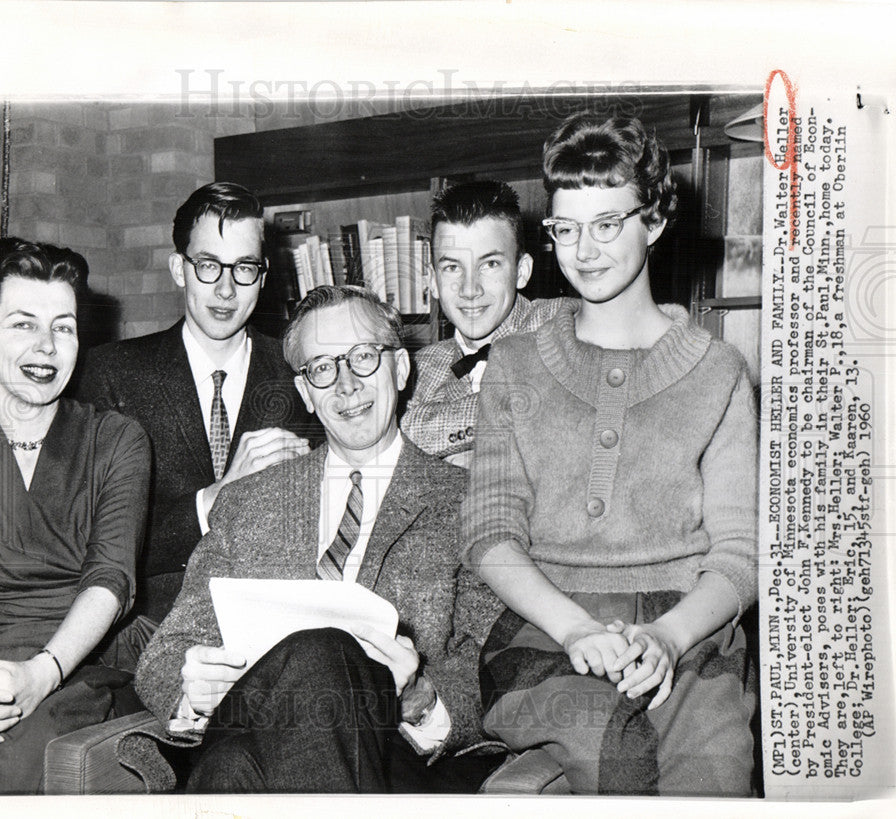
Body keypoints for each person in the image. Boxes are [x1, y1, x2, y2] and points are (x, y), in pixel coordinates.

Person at [462, 114, 758, 796]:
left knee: (711, 773)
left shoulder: (718, 373)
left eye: (606, 223)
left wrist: (666, 638)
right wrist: (576, 629)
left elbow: (739, 555)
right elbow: (488, 530)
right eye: (565, 228)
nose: (583, 250)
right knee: (611, 743)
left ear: (652, 221)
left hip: (689, 635)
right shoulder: (513, 365)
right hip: (547, 629)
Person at [135, 285, 504, 793]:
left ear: (400, 369)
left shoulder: (470, 506)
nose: (347, 385)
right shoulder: (250, 502)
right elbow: (165, 651)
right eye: (324, 368)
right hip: (256, 723)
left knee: (233, 767)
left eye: (363, 357)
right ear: (306, 393)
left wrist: (422, 697)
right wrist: (190, 686)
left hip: (395, 754)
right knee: (314, 659)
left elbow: (494, 665)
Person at [0, 238, 151, 794]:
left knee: (8, 750)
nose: (47, 346)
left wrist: (37, 676)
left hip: (85, 661)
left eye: (64, 327)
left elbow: (111, 581)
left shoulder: (116, 440)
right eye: (23, 324)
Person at [76, 182, 319, 627]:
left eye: (244, 267)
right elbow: (92, 545)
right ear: (178, 268)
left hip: (275, 631)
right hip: (149, 635)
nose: (226, 289)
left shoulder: (303, 372)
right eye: (208, 265)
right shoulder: (113, 373)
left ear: (263, 276)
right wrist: (214, 500)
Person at [401, 180, 563, 466]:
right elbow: (397, 438)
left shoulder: (563, 323)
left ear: (522, 271)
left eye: (489, 264)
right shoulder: (417, 369)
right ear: (432, 282)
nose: (469, 289)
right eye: (452, 267)